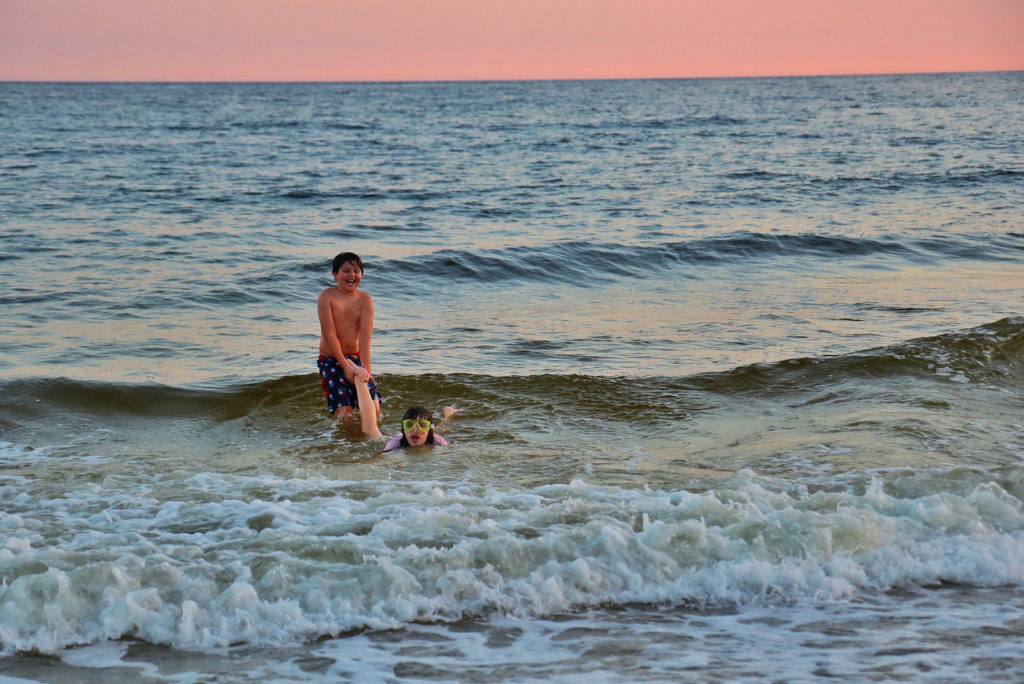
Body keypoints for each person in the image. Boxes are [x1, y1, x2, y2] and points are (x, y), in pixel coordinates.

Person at [317, 252, 382, 437]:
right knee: (345, 417)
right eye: (346, 271)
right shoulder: (326, 297)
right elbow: (330, 335)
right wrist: (344, 365)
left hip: (356, 358)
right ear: (335, 275)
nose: (351, 275)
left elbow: (365, 340)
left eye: (356, 271)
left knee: (374, 410)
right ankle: (349, 439)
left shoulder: (365, 300)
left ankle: (365, 438)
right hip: (331, 359)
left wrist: (366, 373)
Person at [383, 406, 460, 451]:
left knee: (441, 430)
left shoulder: (439, 442)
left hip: (431, 436)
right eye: (409, 425)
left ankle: (448, 415)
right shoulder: (394, 444)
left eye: (422, 425)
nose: (415, 430)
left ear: (429, 430)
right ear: (403, 429)